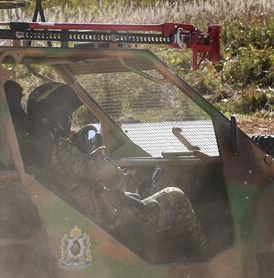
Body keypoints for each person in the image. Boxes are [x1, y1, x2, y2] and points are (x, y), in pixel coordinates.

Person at [26, 82, 208, 261]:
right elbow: (100, 171)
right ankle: (208, 260)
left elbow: (83, 170)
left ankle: (174, 255)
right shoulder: (59, 150)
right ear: (49, 117)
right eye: (64, 114)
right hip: (109, 222)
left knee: (137, 194)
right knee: (175, 195)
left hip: (96, 214)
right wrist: (107, 164)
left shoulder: (42, 148)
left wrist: (93, 160)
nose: (68, 119)